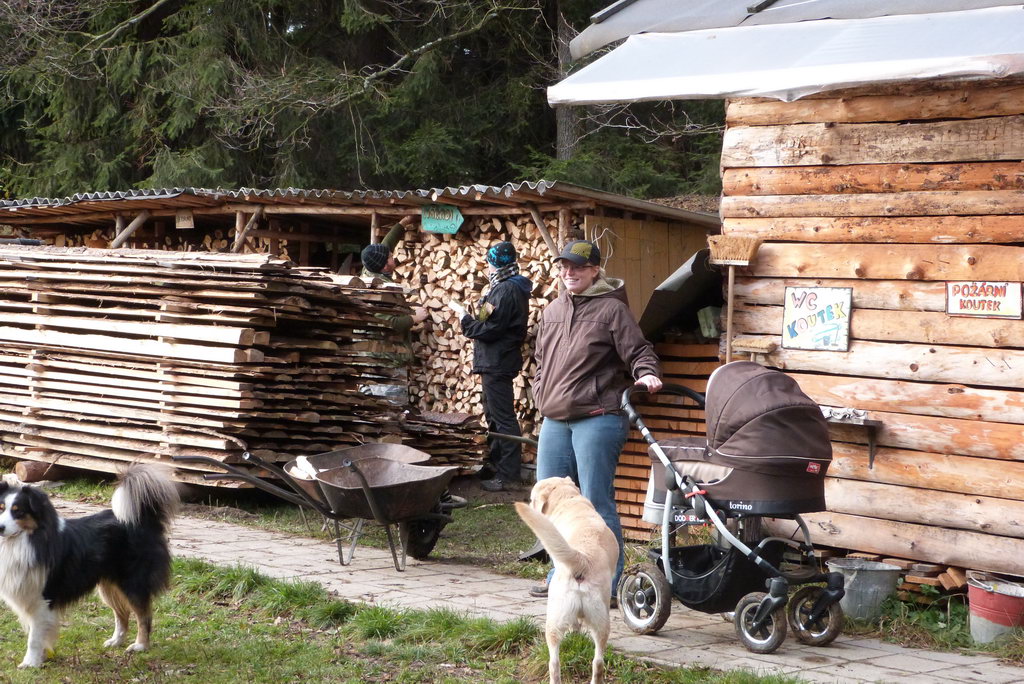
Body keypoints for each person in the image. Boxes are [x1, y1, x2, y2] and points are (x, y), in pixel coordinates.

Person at [530, 239, 663, 601]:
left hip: (597, 415)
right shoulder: (553, 309)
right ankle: (561, 575)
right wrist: (540, 391)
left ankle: (608, 583)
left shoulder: (612, 309)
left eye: (577, 267)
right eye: (564, 266)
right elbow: (541, 360)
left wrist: (647, 373)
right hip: (555, 418)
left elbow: (639, 350)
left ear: (594, 271)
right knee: (549, 503)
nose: (569, 272)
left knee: (595, 502)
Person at [451, 241, 532, 492]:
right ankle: (497, 465)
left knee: (503, 418)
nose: (487, 266)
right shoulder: (502, 287)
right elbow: (487, 318)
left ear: (495, 263)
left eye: (489, 261)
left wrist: (465, 321)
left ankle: (508, 475)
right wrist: (473, 318)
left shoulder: (506, 289)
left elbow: (491, 328)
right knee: (493, 415)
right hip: (494, 361)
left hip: (498, 361)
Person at [360, 215, 427, 331]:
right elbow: (388, 323)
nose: (393, 256)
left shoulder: (370, 267)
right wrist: (414, 318)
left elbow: (387, 244)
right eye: (391, 256)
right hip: (382, 340)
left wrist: (403, 222)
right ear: (385, 266)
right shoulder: (378, 290)